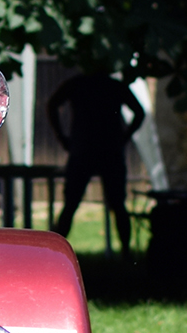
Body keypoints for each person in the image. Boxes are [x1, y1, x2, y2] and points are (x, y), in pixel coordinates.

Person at [47, 72, 145, 251]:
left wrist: (63, 137)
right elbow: (139, 112)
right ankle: (126, 254)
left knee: (71, 204)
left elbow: (52, 105)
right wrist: (124, 137)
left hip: (85, 149)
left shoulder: (78, 83)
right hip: (107, 149)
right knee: (116, 205)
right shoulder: (113, 85)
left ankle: (53, 252)